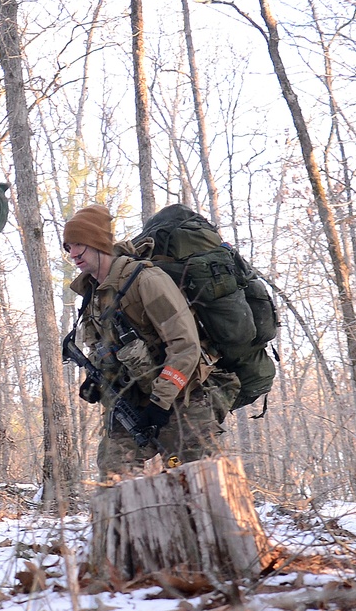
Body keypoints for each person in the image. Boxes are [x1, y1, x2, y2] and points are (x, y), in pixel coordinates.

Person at [63, 203, 238, 479]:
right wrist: (97, 378)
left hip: (182, 402)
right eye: (68, 247)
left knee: (204, 488)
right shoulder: (92, 296)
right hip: (131, 405)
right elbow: (105, 348)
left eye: (78, 245)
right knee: (115, 486)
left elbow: (185, 346)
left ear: (98, 243)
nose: (72, 254)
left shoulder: (146, 280)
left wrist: (160, 402)